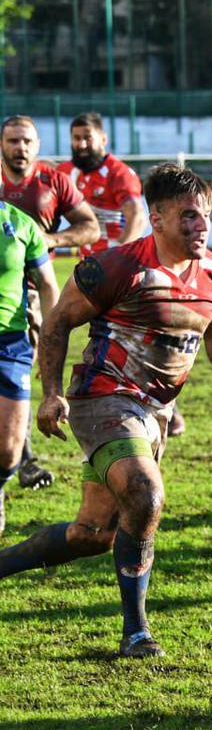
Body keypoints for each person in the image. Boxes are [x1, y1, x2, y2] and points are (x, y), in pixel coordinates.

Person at [0, 164, 212, 657]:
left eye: (205, 217)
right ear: (155, 219)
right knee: (145, 493)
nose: (201, 227)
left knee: (92, 533)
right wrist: (52, 393)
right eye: (189, 218)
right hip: (102, 398)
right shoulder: (116, 267)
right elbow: (56, 325)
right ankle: (136, 632)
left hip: (154, 412)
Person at [1, 115, 101, 492]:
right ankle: (23, 460)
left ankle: (20, 457)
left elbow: (90, 226)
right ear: (2, 145)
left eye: (27, 141)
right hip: (6, 290)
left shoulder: (52, 182)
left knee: (27, 372)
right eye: (13, 141)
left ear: (38, 145)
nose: (20, 148)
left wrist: (47, 241)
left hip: (36, 292)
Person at [0, 202, 58, 536]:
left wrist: (51, 340)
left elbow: (48, 285)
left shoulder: (20, 224)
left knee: (9, 450)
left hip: (10, 344)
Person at [56, 113, 146, 256]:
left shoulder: (118, 173)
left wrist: (117, 257)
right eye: (77, 138)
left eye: (88, 138)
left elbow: (137, 218)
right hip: (87, 263)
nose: (82, 144)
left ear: (103, 139)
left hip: (115, 260)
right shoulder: (66, 171)